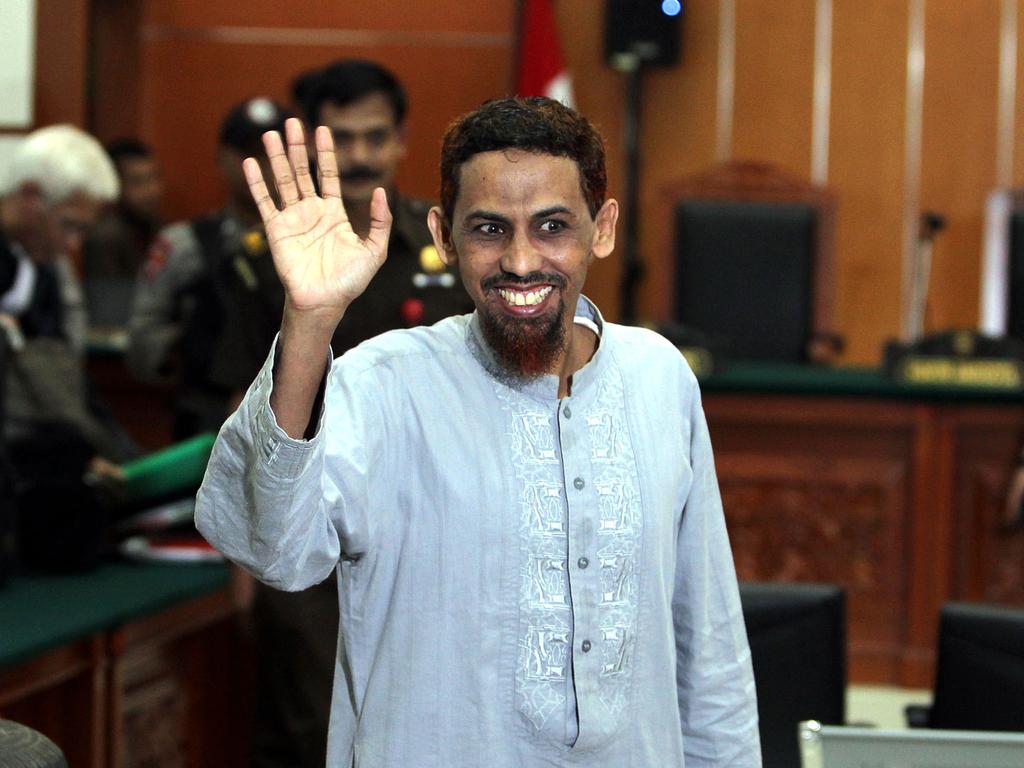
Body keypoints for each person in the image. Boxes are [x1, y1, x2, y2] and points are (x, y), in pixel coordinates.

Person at [197, 97, 760, 766]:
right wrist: (310, 319)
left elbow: (708, 638)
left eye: (552, 226)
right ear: (443, 235)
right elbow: (275, 550)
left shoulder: (659, 377)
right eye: (490, 229)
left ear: (601, 229)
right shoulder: (384, 381)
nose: (521, 261)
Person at [219, 60, 472, 768]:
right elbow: (239, 395)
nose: (359, 156)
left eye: (375, 137)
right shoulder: (263, 256)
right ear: (316, 142)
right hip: (300, 515)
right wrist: (245, 556)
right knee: (304, 714)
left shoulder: (446, 251)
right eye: (344, 137)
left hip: (420, 516)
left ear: (401, 140)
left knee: (418, 712)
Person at [0, 125, 134, 570]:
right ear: (30, 195)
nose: (71, 245)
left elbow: (62, 380)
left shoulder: (48, 271)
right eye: (68, 226)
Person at [126, 97, 290, 439]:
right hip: (205, 421)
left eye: (272, 153)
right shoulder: (184, 245)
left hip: (293, 419)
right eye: (247, 151)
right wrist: (191, 342)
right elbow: (141, 346)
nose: (260, 164)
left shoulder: (315, 244)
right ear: (221, 158)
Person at [82, 139, 164, 328]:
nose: (152, 190)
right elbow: (108, 309)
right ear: (114, 185)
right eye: (138, 182)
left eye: (154, 178)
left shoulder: (161, 229)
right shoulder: (104, 237)